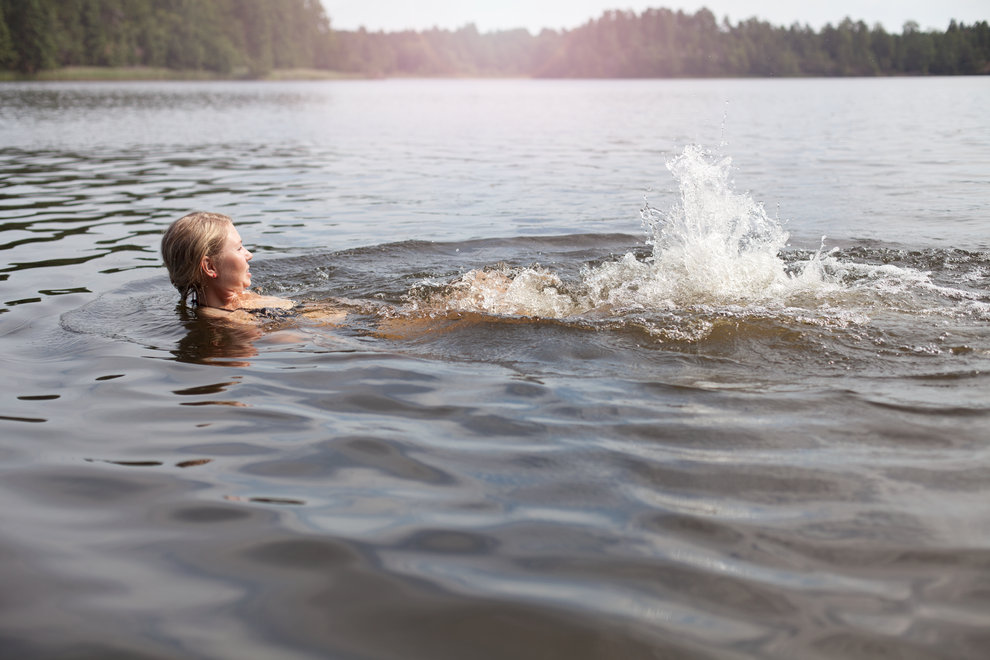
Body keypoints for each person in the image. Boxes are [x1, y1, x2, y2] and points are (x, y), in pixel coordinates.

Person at [161, 211, 343, 324]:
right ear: (209, 266)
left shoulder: (238, 301)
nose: (249, 254)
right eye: (239, 248)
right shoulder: (234, 321)